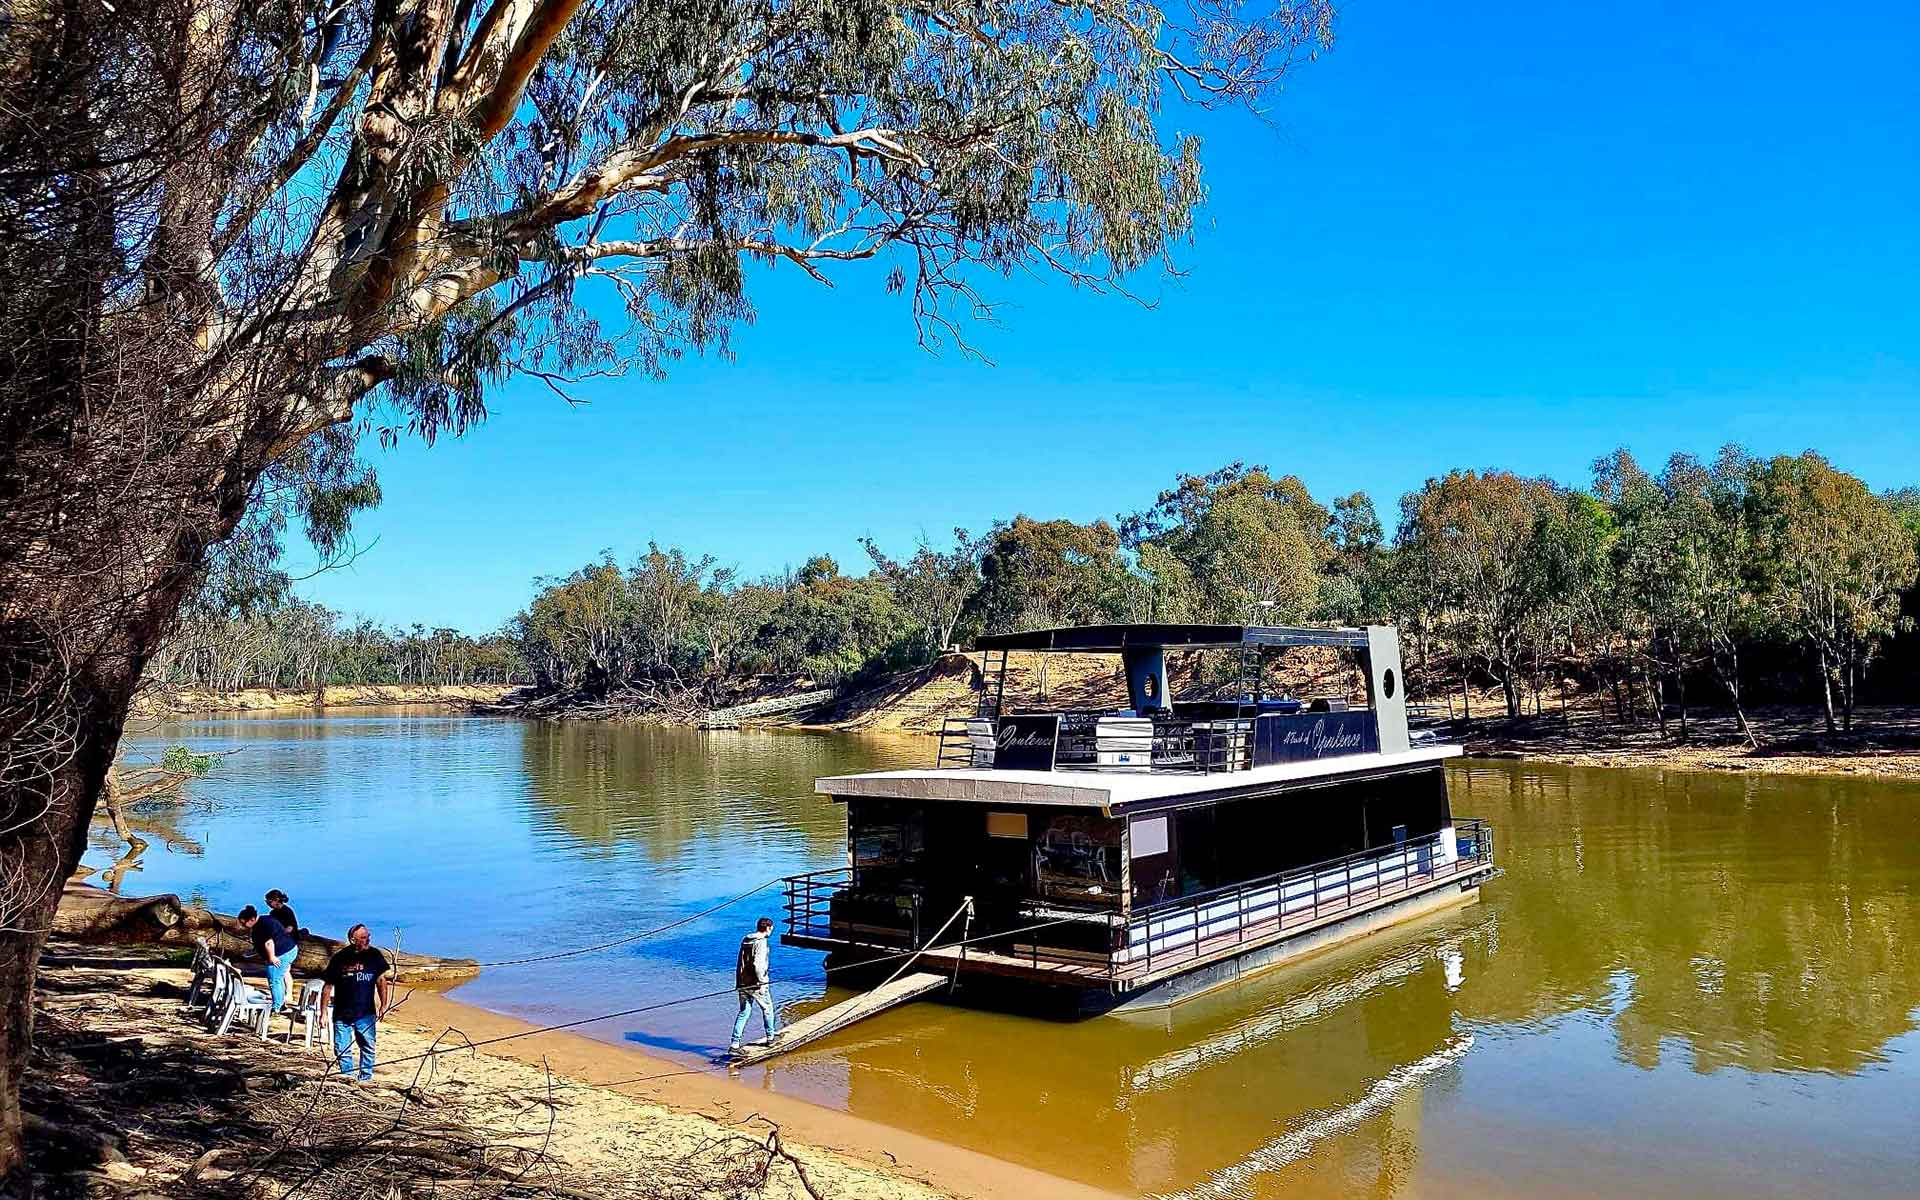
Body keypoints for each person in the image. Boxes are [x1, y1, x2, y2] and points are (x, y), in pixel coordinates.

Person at [318, 924, 392, 1083]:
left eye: (368, 936)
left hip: (365, 1012)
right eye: (363, 937)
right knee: (342, 1048)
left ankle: (365, 1078)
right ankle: (348, 1078)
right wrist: (323, 1012)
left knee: (367, 1046)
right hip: (342, 1012)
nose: (368, 940)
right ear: (353, 939)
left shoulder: (374, 955)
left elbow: (381, 981)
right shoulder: (340, 957)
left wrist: (384, 1005)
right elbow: (327, 986)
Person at [235, 904, 298, 1012]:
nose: (242, 925)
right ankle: (281, 1003)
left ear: (252, 919)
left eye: (243, 923)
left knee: (274, 978)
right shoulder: (264, 920)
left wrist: (272, 957)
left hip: (282, 952)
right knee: (278, 978)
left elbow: (269, 943)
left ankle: (277, 1007)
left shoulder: (262, 925)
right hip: (288, 949)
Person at [730, 917, 779, 1053]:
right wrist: (762, 982)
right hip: (755, 984)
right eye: (772, 928)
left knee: (744, 1012)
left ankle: (735, 1044)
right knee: (768, 1008)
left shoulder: (746, 940)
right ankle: (770, 1038)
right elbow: (758, 965)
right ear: (768, 928)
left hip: (742, 982)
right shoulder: (761, 942)